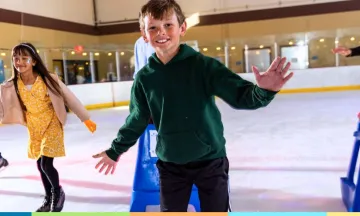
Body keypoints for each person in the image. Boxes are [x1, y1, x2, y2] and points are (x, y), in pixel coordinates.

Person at [92, 0, 293, 212]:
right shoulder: (144, 79)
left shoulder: (203, 66)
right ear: (144, 34)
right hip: (170, 164)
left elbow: (241, 95)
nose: (161, 32)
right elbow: (137, 119)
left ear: (182, 28)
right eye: (153, 27)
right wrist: (115, 150)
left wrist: (265, 91)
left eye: (168, 25)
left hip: (211, 161)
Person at [0, 43, 97, 212]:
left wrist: (85, 119)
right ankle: (48, 199)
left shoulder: (48, 79)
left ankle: (58, 192)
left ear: (34, 61)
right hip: (34, 127)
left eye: (25, 58)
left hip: (52, 123)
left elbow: (69, 98)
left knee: (45, 164)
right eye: (16, 58)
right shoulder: (11, 85)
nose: (20, 62)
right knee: (40, 164)